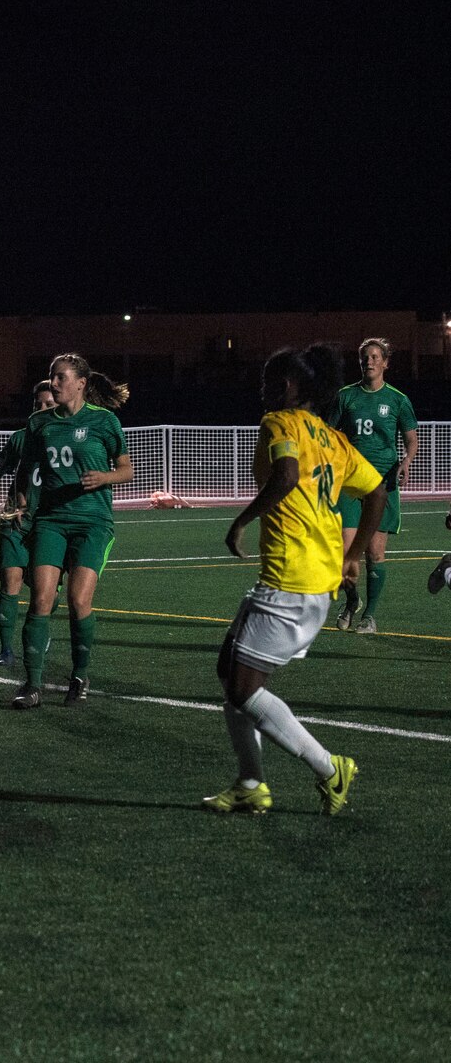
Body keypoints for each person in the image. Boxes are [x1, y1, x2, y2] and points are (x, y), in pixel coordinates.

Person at [207, 344, 385, 816]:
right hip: (312, 575)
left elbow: (285, 474)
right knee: (230, 673)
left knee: (243, 688)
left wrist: (242, 520)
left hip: (292, 578)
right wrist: (353, 554)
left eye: (270, 380)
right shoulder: (333, 439)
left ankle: (330, 769)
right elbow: (377, 491)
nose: (264, 390)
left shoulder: (280, 424)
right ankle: (249, 783)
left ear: (289, 385)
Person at [7, 353, 132, 708]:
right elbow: (25, 468)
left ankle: (80, 676)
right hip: (50, 521)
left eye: (61, 377)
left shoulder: (104, 421)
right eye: (52, 377)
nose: (54, 383)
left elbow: (126, 470)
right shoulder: (39, 423)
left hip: (93, 523)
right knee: (41, 599)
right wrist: (20, 498)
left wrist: (105, 477)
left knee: (79, 601)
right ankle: (31, 685)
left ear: (81, 383)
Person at [331, 337, 418, 634]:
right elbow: (330, 435)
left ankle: (370, 615)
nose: (368, 361)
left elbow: (411, 440)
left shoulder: (398, 400)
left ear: (385, 363)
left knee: (375, 554)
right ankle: (351, 601)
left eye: (374, 356)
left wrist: (405, 462)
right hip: (351, 485)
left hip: (383, 486)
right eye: (364, 357)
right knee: (346, 552)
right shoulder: (345, 397)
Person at [0, 380, 58, 666]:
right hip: (15, 521)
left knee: (46, 593)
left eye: (48, 405)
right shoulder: (19, 438)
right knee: (10, 580)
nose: (41, 409)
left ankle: (38, 634)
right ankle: (6, 650)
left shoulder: (66, 439)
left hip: (51, 524)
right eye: (37, 405)